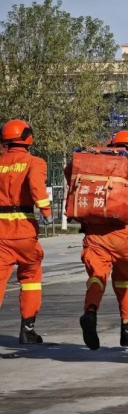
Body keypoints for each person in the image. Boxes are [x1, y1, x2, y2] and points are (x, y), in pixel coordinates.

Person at [65, 130, 128, 350]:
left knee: (97, 276)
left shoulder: (93, 162)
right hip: (122, 233)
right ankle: (127, 327)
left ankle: (90, 311)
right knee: (126, 279)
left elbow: (70, 170)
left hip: (94, 232)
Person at [0, 119, 52, 343]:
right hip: (23, 230)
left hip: (0, 232)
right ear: (27, 137)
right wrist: (47, 212)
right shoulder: (34, 162)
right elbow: (36, 187)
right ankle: (27, 329)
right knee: (31, 277)